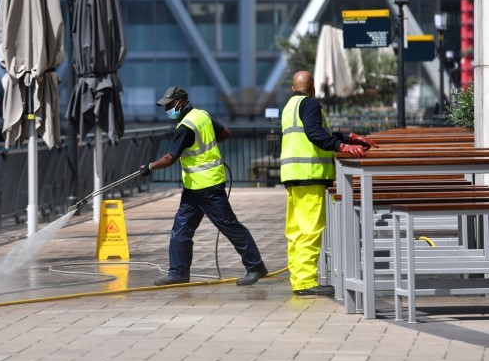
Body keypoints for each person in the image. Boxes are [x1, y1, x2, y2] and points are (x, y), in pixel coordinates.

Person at [139, 86, 268, 286]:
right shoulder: (202, 115)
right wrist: (208, 148)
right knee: (181, 229)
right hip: (195, 188)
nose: (167, 110)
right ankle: (178, 273)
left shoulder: (185, 127)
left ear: (180, 102)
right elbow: (225, 132)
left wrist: (149, 167)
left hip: (207, 188)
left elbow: (169, 158)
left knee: (230, 226)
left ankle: (256, 266)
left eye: (170, 105)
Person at [281, 70, 378, 296]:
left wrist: (347, 137)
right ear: (312, 87)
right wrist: (342, 147)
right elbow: (315, 133)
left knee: (295, 231)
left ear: (293, 88)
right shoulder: (310, 104)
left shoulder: (290, 106)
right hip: (309, 174)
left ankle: (298, 280)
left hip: (292, 175)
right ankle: (306, 282)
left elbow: (313, 133)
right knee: (310, 230)